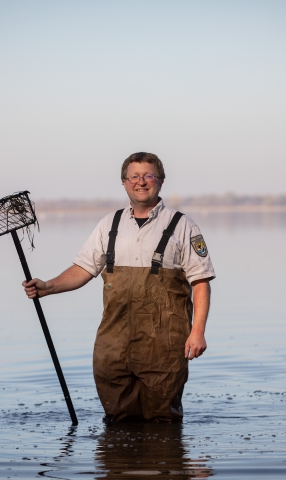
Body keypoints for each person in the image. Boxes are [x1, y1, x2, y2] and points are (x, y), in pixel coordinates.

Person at [23, 152, 215, 422]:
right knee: (117, 420)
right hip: (113, 345)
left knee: (163, 423)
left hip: (164, 346)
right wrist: (48, 287)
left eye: (148, 175)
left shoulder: (183, 226)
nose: (141, 182)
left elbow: (201, 283)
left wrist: (197, 333)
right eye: (134, 176)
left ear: (160, 181)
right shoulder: (108, 225)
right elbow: (83, 269)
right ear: (124, 182)